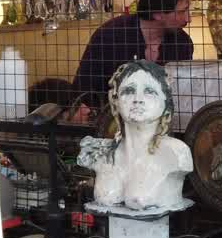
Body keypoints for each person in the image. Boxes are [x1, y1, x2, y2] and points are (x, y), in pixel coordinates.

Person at [77, 60, 193, 211]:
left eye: (149, 91)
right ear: (116, 101)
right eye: (129, 91)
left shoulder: (176, 154)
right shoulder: (102, 153)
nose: (138, 99)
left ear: (166, 103)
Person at [73, 0, 194, 108]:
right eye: (183, 11)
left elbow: (183, 96)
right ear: (158, 13)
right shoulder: (109, 35)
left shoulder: (183, 43)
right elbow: (82, 90)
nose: (189, 19)